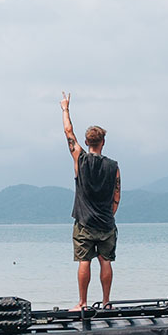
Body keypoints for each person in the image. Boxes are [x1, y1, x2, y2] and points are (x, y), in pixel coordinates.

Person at [61, 93, 119, 309]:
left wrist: (65, 109)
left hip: (84, 222)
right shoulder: (113, 166)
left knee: (84, 261)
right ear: (103, 142)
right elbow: (117, 196)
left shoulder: (80, 159)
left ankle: (83, 303)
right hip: (105, 222)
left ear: (86, 142)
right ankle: (106, 302)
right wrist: (109, 215)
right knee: (106, 261)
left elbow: (68, 132)